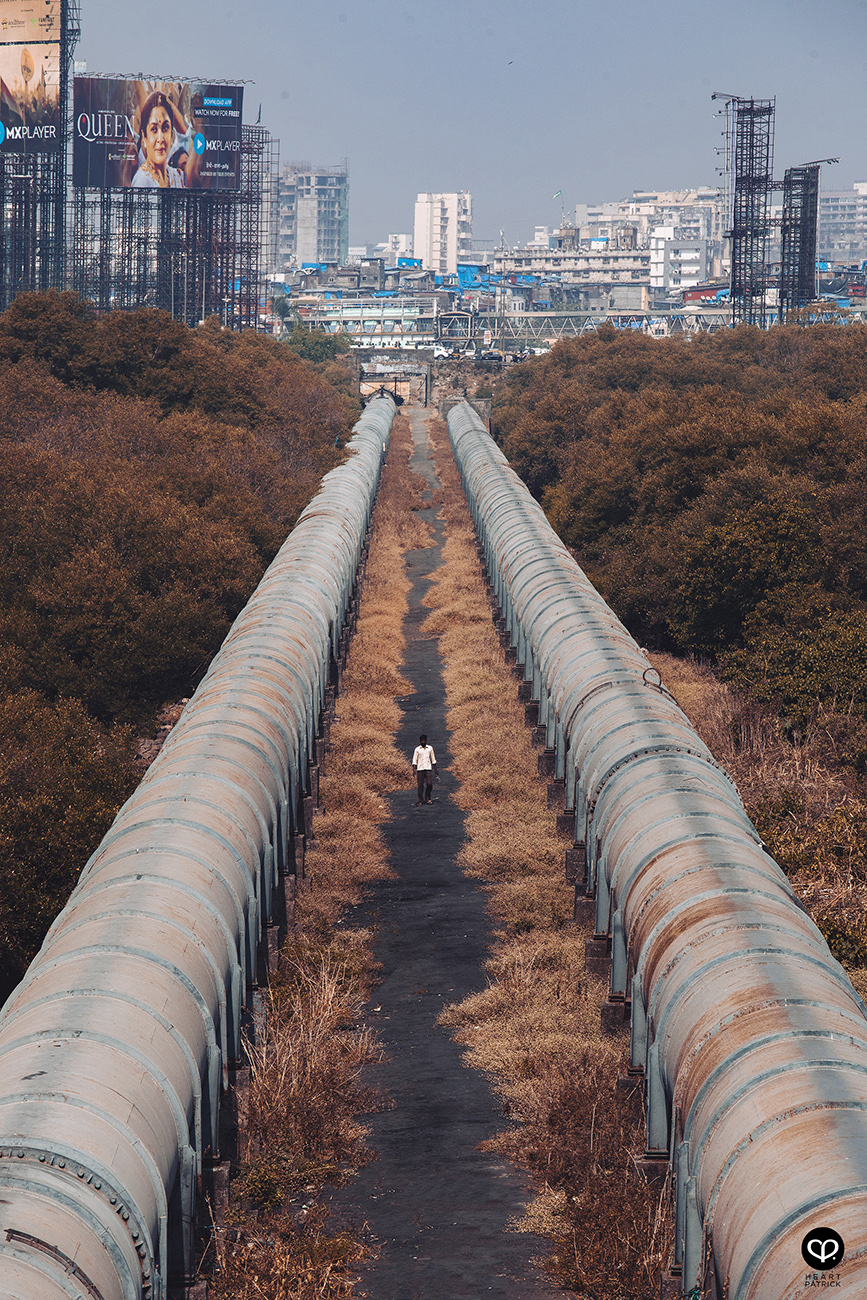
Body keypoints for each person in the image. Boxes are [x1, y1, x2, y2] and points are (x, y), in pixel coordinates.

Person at [131, 90, 187, 189]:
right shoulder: (142, 180)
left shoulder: (177, 176)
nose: (160, 139)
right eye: (154, 129)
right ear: (144, 136)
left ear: (172, 135)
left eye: (165, 128)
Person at [411, 734, 438, 805]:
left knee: (429, 784)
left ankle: (427, 797)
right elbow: (414, 760)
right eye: (422, 740)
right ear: (420, 741)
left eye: (424, 740)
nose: (423, 742)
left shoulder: (430, 748)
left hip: (428, 768)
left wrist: (435, 770)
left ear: (426, 741)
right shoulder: (417, 749)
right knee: (420, 785)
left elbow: (433, 759)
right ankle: (420, 800)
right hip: (420, 769)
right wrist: (414, 769)